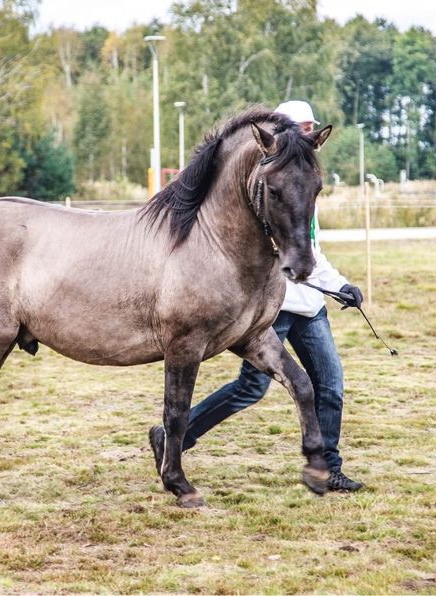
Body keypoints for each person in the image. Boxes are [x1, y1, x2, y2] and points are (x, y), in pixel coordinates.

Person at [150, 100, 365, 492]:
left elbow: (311, 249)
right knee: (251, 388)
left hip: (309, 305)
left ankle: (327, 466)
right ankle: (172, 437)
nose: (306, 135)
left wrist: (339, 286)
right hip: (271, 307)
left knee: (330, 384)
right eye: (300, 128)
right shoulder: (266, 187)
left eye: (310, 128)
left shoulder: (301, 184)